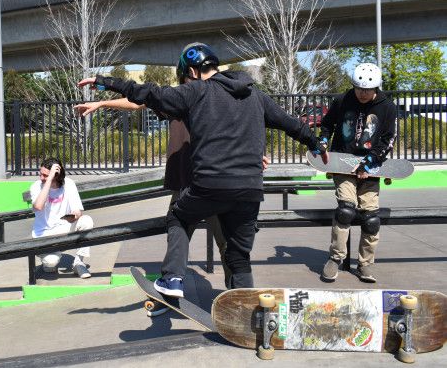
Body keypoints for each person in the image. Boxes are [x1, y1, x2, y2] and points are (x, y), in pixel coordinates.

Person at [79, 42, 326, 296]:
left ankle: (172, 279)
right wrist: (316, 143)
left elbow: (151, 93)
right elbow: (291, 124)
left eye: (187, 77)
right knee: (238, 255)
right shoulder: (256, 95)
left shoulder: (196, 91)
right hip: (250, 189)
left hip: (210, 185)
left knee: (179, 216)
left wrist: (105, 82)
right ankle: (246, 304)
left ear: (193, 72)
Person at [319, 63, 397, 284]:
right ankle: (335, 258)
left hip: (371, 166)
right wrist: (323, 141)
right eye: (358, 89)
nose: (362, 94)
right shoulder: (342, 100)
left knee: (371, 218)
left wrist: (369, 163)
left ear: (376, 88)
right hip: (343, 164)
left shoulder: (387, 107)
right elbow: (327, 124)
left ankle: (365, 265)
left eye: (367, 90)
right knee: (346, 210)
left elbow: (388, 139)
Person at [30, 157, 93, 278]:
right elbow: (38, 206)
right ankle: (49, 261)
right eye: (41, 174)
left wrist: (74, 216)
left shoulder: (68, 184)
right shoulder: (36, 186)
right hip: (44, 234)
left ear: (57, 176)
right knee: (51, 264)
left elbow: (78, 210)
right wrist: (48, 181)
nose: (41, 178)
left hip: (64, 228)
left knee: (86, 221)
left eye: (45, 175)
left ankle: (78, 263)